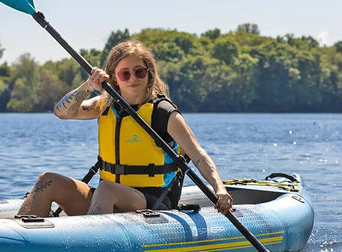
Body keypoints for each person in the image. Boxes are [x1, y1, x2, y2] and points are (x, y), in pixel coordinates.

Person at [16, 39, 233, 217]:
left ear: (149, 74)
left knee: (106, 189)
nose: (132, 79)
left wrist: (219, 189)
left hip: (151, 201)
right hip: (106, 196)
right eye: (124, 73)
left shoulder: (164, 113)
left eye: (139, 72)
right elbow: (62, 112)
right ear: (114, 78)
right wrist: (88, 86)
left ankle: (92, 250)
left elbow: (198, 155)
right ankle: (20, 245)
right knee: (48, 180)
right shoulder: (103, 106)